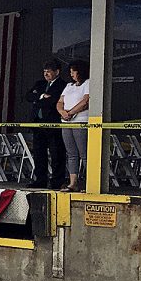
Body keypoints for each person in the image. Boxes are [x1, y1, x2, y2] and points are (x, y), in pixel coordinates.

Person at [25, 58, 68, 189]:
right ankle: (40, 179)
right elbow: (28, 96)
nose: (46, 74)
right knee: (39, 153)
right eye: (44, 71)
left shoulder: (62, 85)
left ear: (57, 72)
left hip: (53, 124)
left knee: (56, 153)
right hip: (38, 124)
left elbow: (53, 101)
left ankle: (57, 181)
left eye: (48, 71)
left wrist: (38, 99)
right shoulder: (40, 84)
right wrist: (41, 96)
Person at [57, 59, 91, 193]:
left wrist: (70, 112)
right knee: (71, 153)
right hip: (66, 122)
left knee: (84, 153)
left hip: (80, 120)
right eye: (70, 71)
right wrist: (62, 112)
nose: (71, 74)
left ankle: (89, 183)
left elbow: (85, 101)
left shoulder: (88, 83)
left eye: (74, 71)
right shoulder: (69, 86)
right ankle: (73, 183)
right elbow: (60, 102)